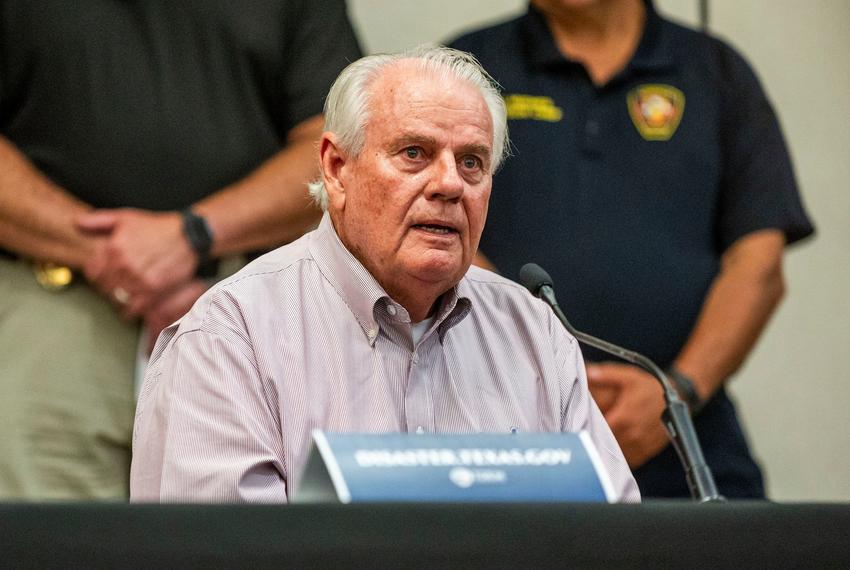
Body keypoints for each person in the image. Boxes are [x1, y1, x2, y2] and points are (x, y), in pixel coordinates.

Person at [129, 46, 640, 503]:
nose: (449, 184)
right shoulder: (230, 337)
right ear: (336, 167)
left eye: (471, 163)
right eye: (414, 153)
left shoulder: (536, 333)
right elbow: (226, 554)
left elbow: (611, 541)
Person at [449, 0, 814, 498]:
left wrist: (676, 394)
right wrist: (545, 379)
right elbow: (437, 233)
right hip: (508, 428)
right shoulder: (465, 69)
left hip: (686, 433)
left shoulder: (716, 71)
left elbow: (759, 264)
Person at [0, 0, 361, 499]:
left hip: (249, 301)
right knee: (49, 539)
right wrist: (110, 253)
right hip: (50, 304)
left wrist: (194, 236)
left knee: (231, 539)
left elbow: (337, 147)